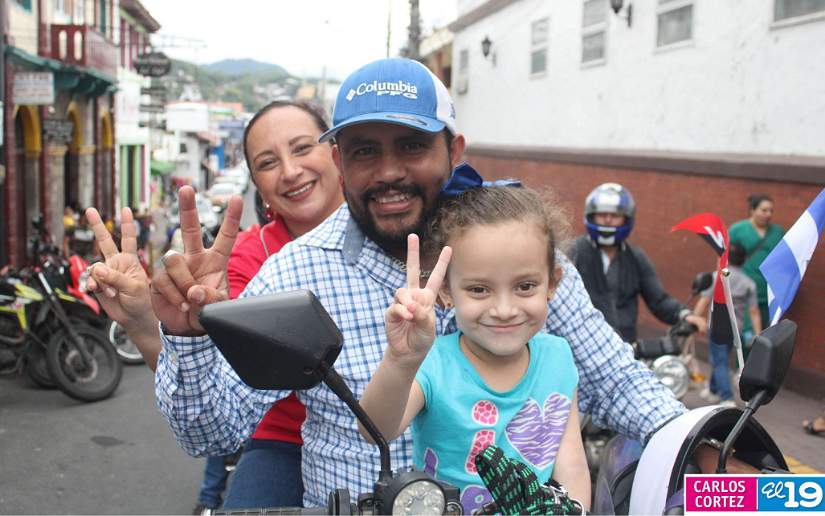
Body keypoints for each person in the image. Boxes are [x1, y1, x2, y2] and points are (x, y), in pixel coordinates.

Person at [122, 58, 746, 508]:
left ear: (454, 149)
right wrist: (189, 337)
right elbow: (212, 432)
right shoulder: (298, 270)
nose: (389, 172)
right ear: (339, 162)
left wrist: (714, 458)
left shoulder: (520, 251)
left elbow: (616, 379)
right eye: (364, 151)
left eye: (412, 146)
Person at [85, 100, 344, 511]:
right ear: (257, 186)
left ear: (336, 153)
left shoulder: (391, 225)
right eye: (267, 162)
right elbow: (209, 387)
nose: (291, 171)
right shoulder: (241, 262)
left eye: (302, 148)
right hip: (283, 440)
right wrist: (144, 321)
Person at [359, 183, 590, 513]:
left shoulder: (558, 358)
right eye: (479, 290)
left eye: (525, 286)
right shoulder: (434, 362)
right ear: (446, 292)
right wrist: (401, 360)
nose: (504, 310)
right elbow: (376, 430)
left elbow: (571, 463)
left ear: (552, 283)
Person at [569, 183, 705, 343]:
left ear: (626, 219)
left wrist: (684, 314)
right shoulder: (574, 252)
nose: (608, 220)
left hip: (625, 345)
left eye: (615, 215)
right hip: (582, 343)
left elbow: (658, 300)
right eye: (602, 214)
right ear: (591, 216)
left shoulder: (636, 257)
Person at [692, 243, 761, 407]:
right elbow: (754, 311)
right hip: (736, 328)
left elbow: (704, 301)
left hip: (717, 325)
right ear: (744, 260)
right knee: (720, 358)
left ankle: (726, 397)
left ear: (726, 259)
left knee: (719, 361)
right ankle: (713, 390)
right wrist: (758, 333)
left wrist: (693, 319)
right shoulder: (749, 283)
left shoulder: (717, 277)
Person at [729, 194, 784, 332]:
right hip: (742, 293)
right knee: (746, 334)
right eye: (764, 210)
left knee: (763, 334)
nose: (768, 214)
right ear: (752, 210)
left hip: (768, 294)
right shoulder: (737, 230)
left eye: (771, 211)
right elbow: (722, 259)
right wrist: (724, 282)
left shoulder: (778, 232)